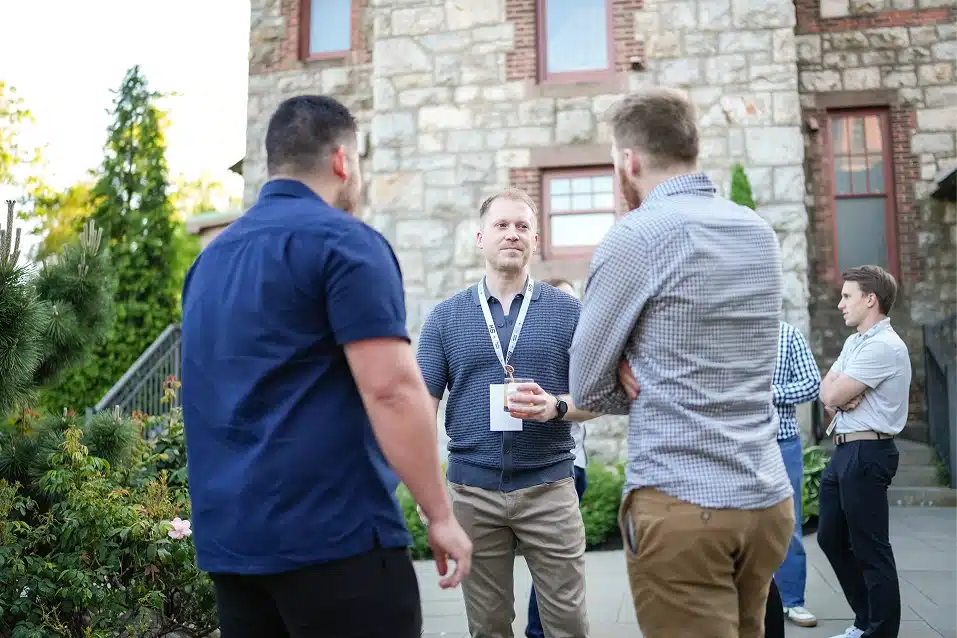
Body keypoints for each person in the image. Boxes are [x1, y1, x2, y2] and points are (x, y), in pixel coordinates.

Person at [179, 94, 471, 638]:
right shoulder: (346, 243)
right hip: (335, 543)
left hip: (233, 551)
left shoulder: (206, 264)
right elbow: (393, 392)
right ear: (342, 162)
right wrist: (440, 515)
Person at [569, 87, 794, 638]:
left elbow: (584, 386)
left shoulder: (637, 236)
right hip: (767, 500)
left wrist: (633, 374)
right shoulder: (758, 232)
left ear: (628, 161)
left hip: (683, 501)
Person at [416, 188, 599, 638]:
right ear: (480, 238)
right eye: (501, 225)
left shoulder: (570, 313)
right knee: (489, 626)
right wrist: (431, 495)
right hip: (472, 493)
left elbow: (598, 399)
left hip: (550, 489)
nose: (512, 234)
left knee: (568, 624)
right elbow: (421, 410)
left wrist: (556, 407)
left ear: (535, 240)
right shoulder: (445, 318)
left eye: (522, 227)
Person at [818, 265, 910, 638]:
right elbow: (827, 393)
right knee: (830, 537)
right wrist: (841, 396)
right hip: (842, 451)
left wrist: (842, 395)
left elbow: (833, 395)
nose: (840, 304)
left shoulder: (884, 345)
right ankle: (864, 620)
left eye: (847, 296)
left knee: (871, 549)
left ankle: (880, 631)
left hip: (868, 453)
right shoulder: (855, 342)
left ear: (870, 299)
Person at [525, 277, 589, 638]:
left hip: (576, 462)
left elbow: (593, 399)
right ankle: (538, 630)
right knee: (549, 565)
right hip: (552, 466)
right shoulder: (537, 345)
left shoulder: (576, 346)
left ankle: (546, 627)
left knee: (559, 566)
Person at [771, 321, 822, 628]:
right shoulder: (727, 332)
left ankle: (792, 601)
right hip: (738, 443)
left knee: (788, 522)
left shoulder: (788, 335)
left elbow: (811, 383)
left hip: (782, 442)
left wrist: (770, 392)